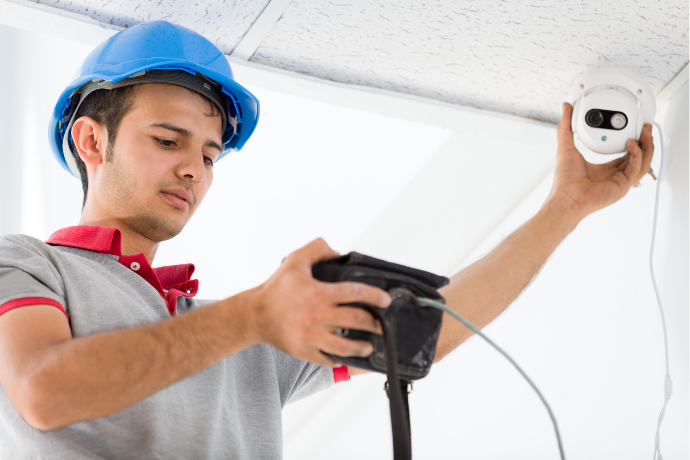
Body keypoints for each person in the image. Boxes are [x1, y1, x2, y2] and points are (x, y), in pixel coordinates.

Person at [0, 20, 655, 459]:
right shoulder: (27, 265)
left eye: (209, 153)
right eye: (167, 141)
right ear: (92, 140)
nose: (194, 168)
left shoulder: (250, 342)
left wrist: (567, 207)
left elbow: (436, 325)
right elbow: (43, 388)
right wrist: (253, 316)